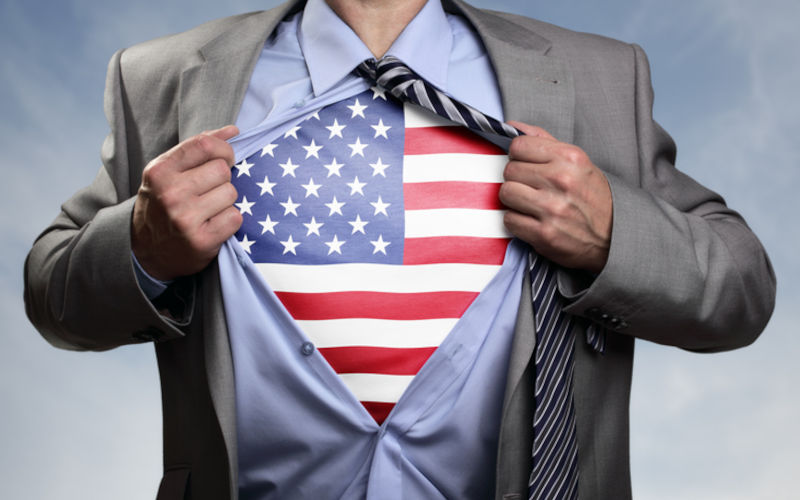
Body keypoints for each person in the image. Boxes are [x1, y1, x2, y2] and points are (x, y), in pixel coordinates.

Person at [23, 0, 776, 499]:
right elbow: (53, 290)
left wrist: (615, 230)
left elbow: (741, 288)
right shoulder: (160, 77)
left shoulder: (598, 73)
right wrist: (141, 246)